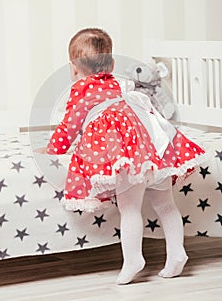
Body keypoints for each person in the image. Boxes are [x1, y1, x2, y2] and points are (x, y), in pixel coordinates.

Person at [37, 28, 206, 285]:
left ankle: (134, 260)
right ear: (112, 64)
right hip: (151, 150)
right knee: (166, 205)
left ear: (73, 68)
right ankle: (177, 254)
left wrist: (53, 149)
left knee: (129, 209)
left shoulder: (81, 90)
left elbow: (69, 127)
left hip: (126, 157)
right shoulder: (118, 84)